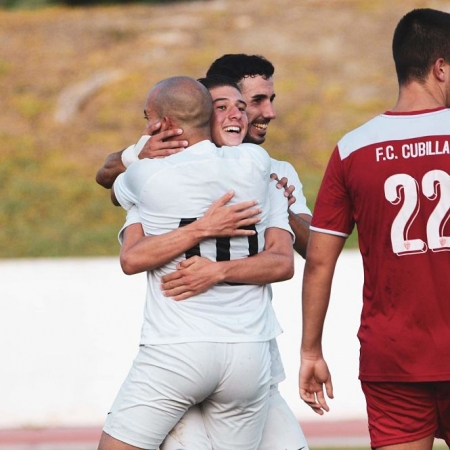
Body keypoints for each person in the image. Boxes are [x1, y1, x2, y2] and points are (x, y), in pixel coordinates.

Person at [98, 76, 295, 450]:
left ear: (163, 124)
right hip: (248, 352)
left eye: (148, 118)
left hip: (178, 346)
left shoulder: (145, 176)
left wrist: (140, 151)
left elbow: (111, 187)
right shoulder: (257, 163)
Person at [299, 8, 450, 450]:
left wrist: (311, 350)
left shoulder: (352, 148)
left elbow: (319, 261)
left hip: (393, 358)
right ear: (440, 68)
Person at [95, 53, 312, 258]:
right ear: (205, 104)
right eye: (257, 101)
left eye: (242, 107)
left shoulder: (278, 174)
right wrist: (136, 154)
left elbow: (314, 249)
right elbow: (108, 182)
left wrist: (279, 206)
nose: (270, 113)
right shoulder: (162, 161)